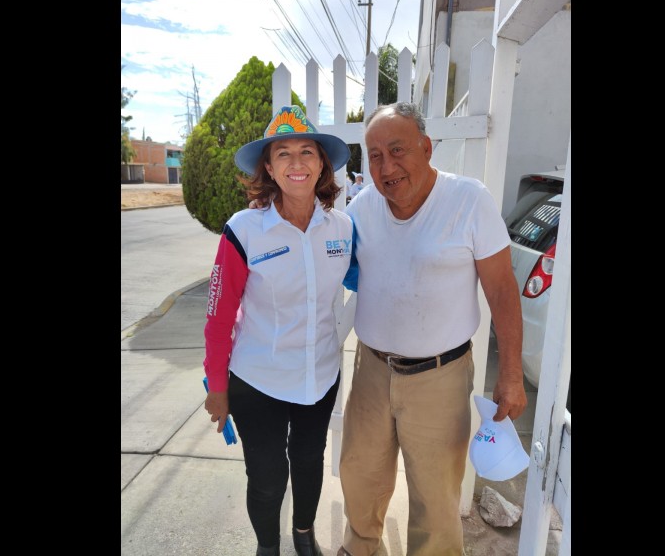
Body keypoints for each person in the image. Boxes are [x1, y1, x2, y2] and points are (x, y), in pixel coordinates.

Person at [337, 102, 527, 556]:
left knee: (436, 498)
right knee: (360, 477)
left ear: (425, 147)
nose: (386, 166)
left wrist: (511, 374)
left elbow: (502, 290)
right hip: (372, 369)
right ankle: (360, 548)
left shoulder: (469, 200)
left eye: (397, 150)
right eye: (375, 156)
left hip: (440, 376)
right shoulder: (361, 208)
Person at [203, 105, 354, 556]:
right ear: (268, 168)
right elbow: (218, 317)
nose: (296, 162)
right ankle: (267, 547)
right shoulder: (244, 230)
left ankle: (304, 535)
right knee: (268, 478)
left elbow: (367, 279)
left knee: (308, 463)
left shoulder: (343, 228)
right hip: (259, 381)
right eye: (283, 153)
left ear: (322, 163)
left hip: (319, 375)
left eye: (307, 151)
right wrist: (217, 386)